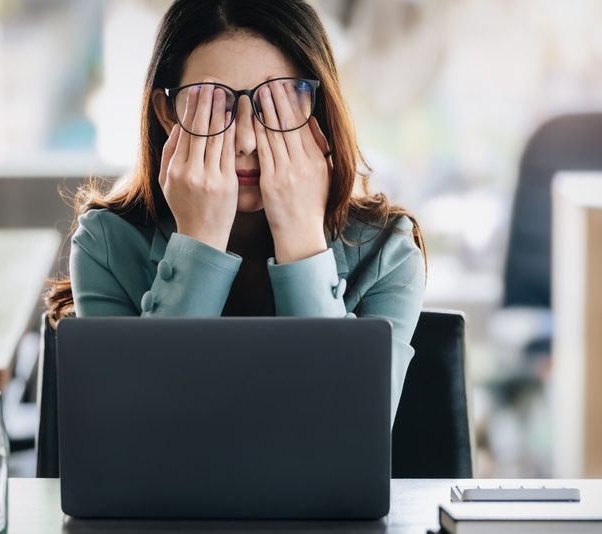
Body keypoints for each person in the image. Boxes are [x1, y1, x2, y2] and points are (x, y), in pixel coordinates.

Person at [45, 0, 427, 418]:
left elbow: (350, 426)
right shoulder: (107, 244)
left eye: (275, 104)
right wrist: (198, 241)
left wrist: (301, 237)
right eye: (215, 105)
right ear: (167, 114)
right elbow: (133, 425)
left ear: (315, 111)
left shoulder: (386, 252)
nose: (246, 140)